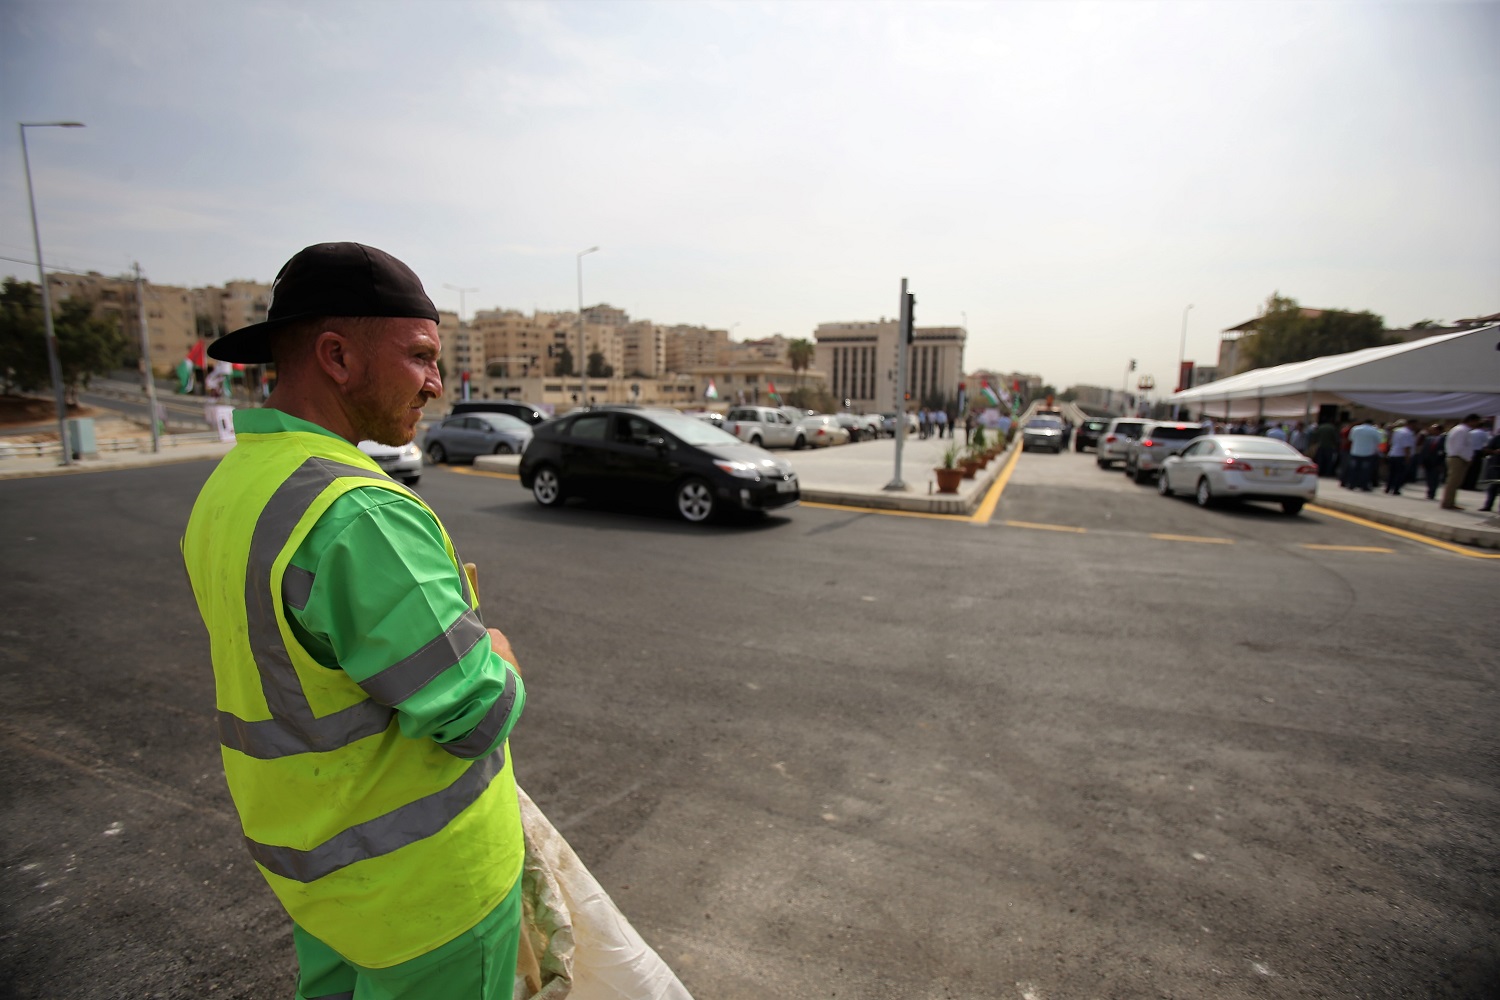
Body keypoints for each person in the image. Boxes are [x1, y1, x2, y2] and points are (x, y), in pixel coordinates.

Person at [181, 243, 528, 998]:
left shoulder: (234, 486)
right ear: (336, 356)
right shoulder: (357, 512)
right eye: (421, 357)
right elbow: (477, 712)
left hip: (325, 886)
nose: (437, 384)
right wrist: (496, 648)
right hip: (428, 899)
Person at [1440, 413, 1482, 509]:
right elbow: (1459, 447)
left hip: (1459, 457)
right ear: (1471, 421)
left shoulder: (1463, 430)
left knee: (1456, 482)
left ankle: (1450, 502)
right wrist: (1467, 458)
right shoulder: (1461, 430)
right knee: (1453, 482)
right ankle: (1447, 503)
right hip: (1458, 458)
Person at [1345, 417, 1381, 492]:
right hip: (1367, 453)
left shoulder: (1355, 429)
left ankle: (1351, 484)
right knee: (1365, 471)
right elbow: (1378, 441)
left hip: (1355, 451)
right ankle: (1364, 485)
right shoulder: (1374, 430)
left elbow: (1351, 438)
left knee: (1353, 470)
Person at [1384, 419, 1415, 495]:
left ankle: (1388, 488)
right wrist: (1407, 458)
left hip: (1393, 453)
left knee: (1392, 473)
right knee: (1399, 473)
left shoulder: (1396, 431)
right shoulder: (1407, 433)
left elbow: (1390, 442)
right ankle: (1396, 489)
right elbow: (1406, 447)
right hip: (1401, 455)